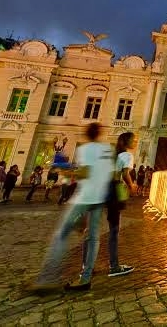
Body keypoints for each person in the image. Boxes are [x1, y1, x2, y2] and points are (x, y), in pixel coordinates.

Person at [31, 122, 114, 293]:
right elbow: (110, 174)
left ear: (88, 133)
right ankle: (86, 277)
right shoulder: (108, 149)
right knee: (93, 238)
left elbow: (86, 172)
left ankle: (48, 277)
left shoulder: (86, 149)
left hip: (84, 197)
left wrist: (66, 171)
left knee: (61, 234)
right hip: (99, 198)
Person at [85, 132, 136, 278]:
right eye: (134, 140)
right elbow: (125, 174)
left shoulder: (111, 154)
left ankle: (87, 266)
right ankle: (114, 266)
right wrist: (131, 185)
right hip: (113, 190)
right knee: (113, 230)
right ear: (126, 142)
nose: (136, 142)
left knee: (92, 230)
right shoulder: (127, 156)